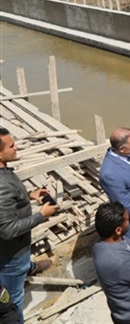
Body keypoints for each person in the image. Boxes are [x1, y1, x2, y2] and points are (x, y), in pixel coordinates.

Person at [0, 127, 57, 321]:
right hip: (12, 255)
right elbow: (7, 230)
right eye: (11, 146)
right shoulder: (1, 184)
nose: (16, 148)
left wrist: (29, 195)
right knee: (13, 299)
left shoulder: (4, 172)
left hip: (11, 252)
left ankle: (29, 267)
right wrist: (41, 215)